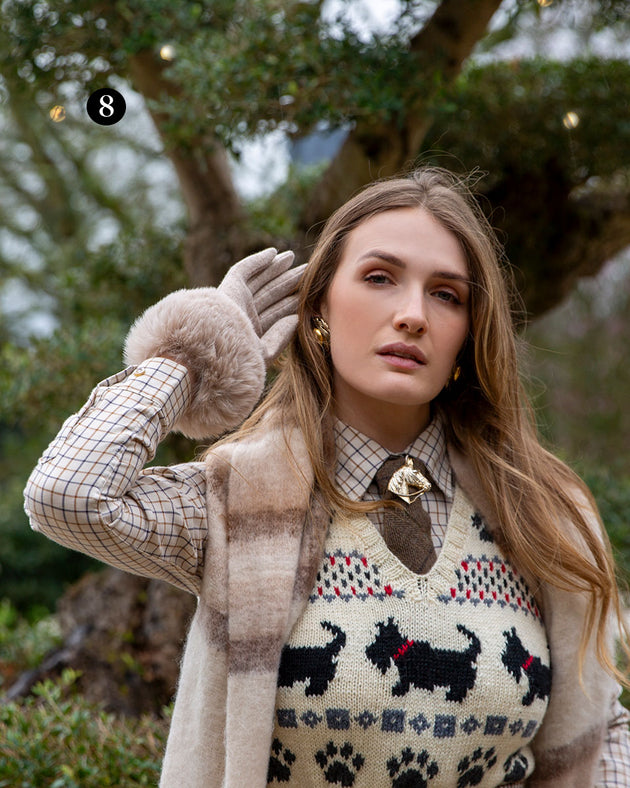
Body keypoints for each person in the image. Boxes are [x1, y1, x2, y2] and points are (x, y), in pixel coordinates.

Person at [24, 167, 629, 787]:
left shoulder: (545, 511)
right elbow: (67, 496)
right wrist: (194, 351)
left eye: (447, 294)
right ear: (318, 311)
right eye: (379, 278)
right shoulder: (235, 504)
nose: (413, 315)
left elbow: (602, 727)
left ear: (468, 336)